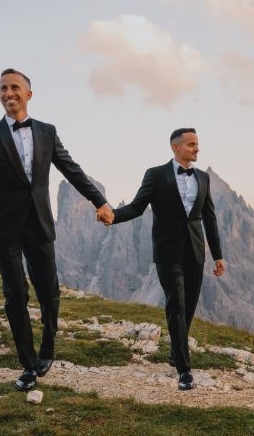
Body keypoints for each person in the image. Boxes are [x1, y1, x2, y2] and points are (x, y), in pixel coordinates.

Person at [0, 68, 114, 391]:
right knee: (15, 294)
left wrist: (99, 201)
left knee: (49, 292)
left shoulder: (47, 131)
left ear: (28, 94)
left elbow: (71, 169)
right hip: (3, 229)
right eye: (3, 88)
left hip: (40, 225)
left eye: (15, 87)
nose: (8, 93)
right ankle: (29, 365)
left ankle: (48, 345)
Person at [100, 128, 225, 390]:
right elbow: (136, 206)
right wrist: (113, 215)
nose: (197, 149)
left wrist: (218, 255)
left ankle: (175, 351)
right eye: (192, 145)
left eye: (197, 144)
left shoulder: (203, 177)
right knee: (176, 304)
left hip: (196, 251)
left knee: (189, 305)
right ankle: (184, 370)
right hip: (168, 253)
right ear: (175, 147)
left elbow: (209, 217)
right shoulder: (155, 175)